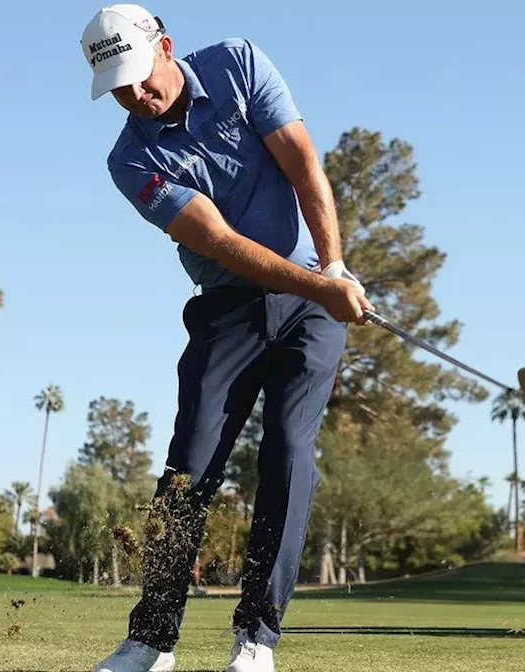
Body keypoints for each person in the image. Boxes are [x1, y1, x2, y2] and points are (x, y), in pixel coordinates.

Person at [79, 5, 373, 671]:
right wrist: (319, 286)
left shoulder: (238, 63)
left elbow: (302, 162)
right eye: (118, 88)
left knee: (290, 453)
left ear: (167, 49)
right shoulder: (130, 160)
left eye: (139, 77)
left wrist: (332, 268)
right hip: (229, 304)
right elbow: (217, 241)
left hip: (313, 298)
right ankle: (152, 640)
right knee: (191, 464)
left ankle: (256, 638)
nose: (135, 95)